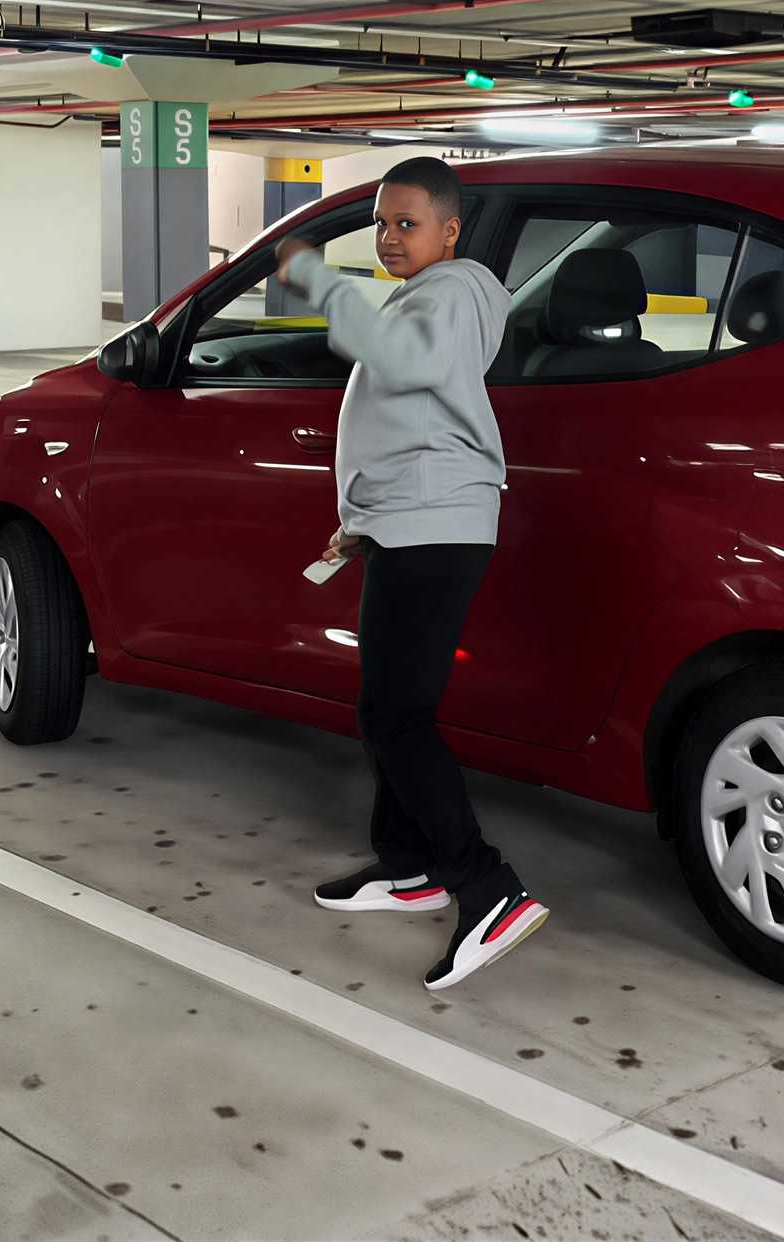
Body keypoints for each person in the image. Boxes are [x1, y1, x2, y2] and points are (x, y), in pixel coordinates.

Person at [274, 156, 549, 991]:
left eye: (408, 224)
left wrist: (316, 279)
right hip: (410, 524)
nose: (390, 238)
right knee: (388, 707)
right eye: (382, 224)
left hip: (437, 532)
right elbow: (414, 420)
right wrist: (363, 522)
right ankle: (409, 866)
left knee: (398, 716)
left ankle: (488, 887)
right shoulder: (434, 293)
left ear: (450, 230)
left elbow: (403, 363)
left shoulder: (457, 288)